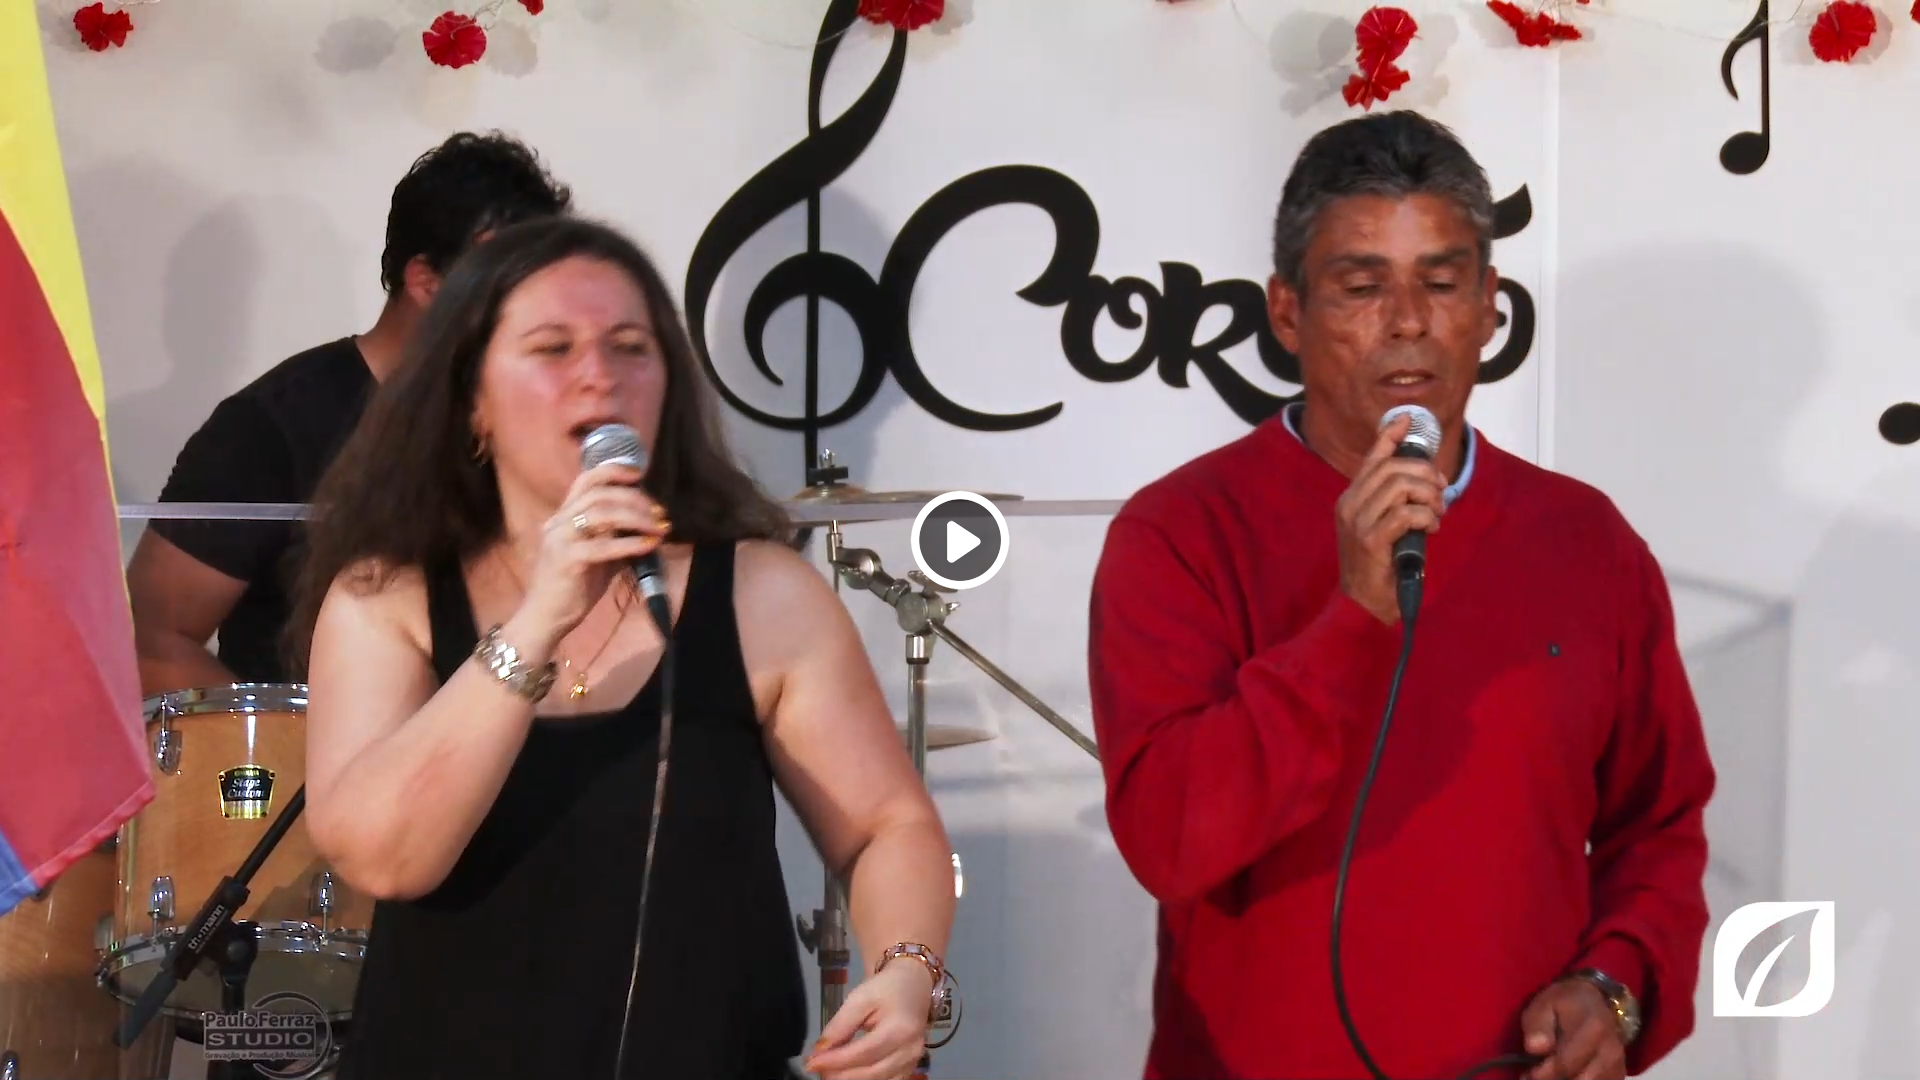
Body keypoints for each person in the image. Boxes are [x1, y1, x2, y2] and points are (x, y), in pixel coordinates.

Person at [1086, 111, 1716, 1080]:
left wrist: (1615, 984)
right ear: (1287, 313)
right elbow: (1170, 839)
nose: (1410, 322)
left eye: (1442, 282)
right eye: (1362, 286)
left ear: (1490, 307)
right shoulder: (1179, 534)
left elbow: (1658, 824)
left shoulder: (1586, 539)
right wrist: (1352, 619)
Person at [285, 216, 957, 1080]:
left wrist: (907, 971)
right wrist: (539, 619)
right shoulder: (388, 598)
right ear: (472, 401)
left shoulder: (762, 595)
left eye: (631, 347)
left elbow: (887, 827)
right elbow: (384, 856)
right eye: (553, 348)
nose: (599, 374)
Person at [124, 130, 573, 692]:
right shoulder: (271, 428)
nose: (531, 310)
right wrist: (318, 744)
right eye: (505, 285)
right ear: (425, 282)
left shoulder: (535, 416)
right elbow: (154, 641)